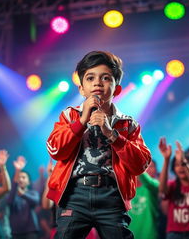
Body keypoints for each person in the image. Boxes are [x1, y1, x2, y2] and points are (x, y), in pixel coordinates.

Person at [46, 50, 151, 239]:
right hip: (74, 195)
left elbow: (140, 164)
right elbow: (55, 150)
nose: (97, 83)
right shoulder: (70, 116)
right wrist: (82, 121)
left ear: (116, 88)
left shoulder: (127, 124)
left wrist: (112, 134)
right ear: (81, 89)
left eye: (105, 78)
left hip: (111, 196)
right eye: (90, 78)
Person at [159, 137, 189, 239]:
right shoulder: (172, 185)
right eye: (177, 165)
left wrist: (184, 161)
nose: (180, 167)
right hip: (174, 233)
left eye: (183, 165)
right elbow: (162, 189)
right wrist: (166, 159)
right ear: (173, 169)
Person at [7, 156, 40, 239]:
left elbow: (35, 201)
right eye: (19, 177)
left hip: (31, 231)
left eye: (23, 177)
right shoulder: (12, 195)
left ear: (28, 182)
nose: (20, 179)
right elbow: (9, 201)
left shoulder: (33, 193)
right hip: (15, 232)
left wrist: (22, 194)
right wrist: (17, 170)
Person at [128, 160, 160, 239]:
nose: (147, 169)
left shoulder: (156, 185)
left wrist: (134, 162)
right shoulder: (127, 190)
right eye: (145, 167)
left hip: (150, 236)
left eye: (151, 166)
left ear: (156, 170)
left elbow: (147, 181)